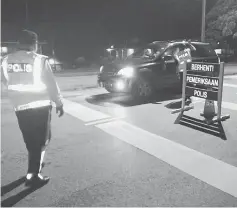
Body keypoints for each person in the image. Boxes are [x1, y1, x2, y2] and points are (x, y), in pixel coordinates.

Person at [1, 29, 64, 187]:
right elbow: (51, 83)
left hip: (20, 108)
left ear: (18, 43)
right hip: (40, 106)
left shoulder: (6, 60)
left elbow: (4, 81)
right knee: (43, 139)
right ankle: (33, 175)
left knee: (30, 141)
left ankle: (36, 165)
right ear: (34, 44)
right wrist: (59, 103)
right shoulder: (40, 60)